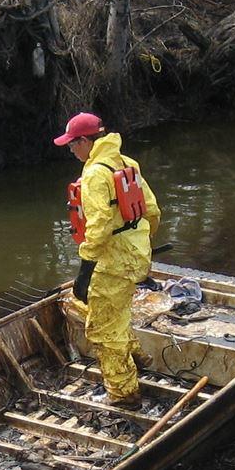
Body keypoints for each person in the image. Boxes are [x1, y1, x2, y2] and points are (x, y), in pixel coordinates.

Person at [55, 111, 161, 408]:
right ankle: (138, 357)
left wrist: (85, 269)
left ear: (86, 141)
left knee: (101, 327)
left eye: (72, 144)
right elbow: (152, 211)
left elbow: (98, 227)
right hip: (134, 255)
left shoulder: (93, 175)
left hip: (112, 261)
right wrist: (141, 247)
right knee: (115, 313)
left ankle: (123, 393)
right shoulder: (127, 163)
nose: (71, 150)